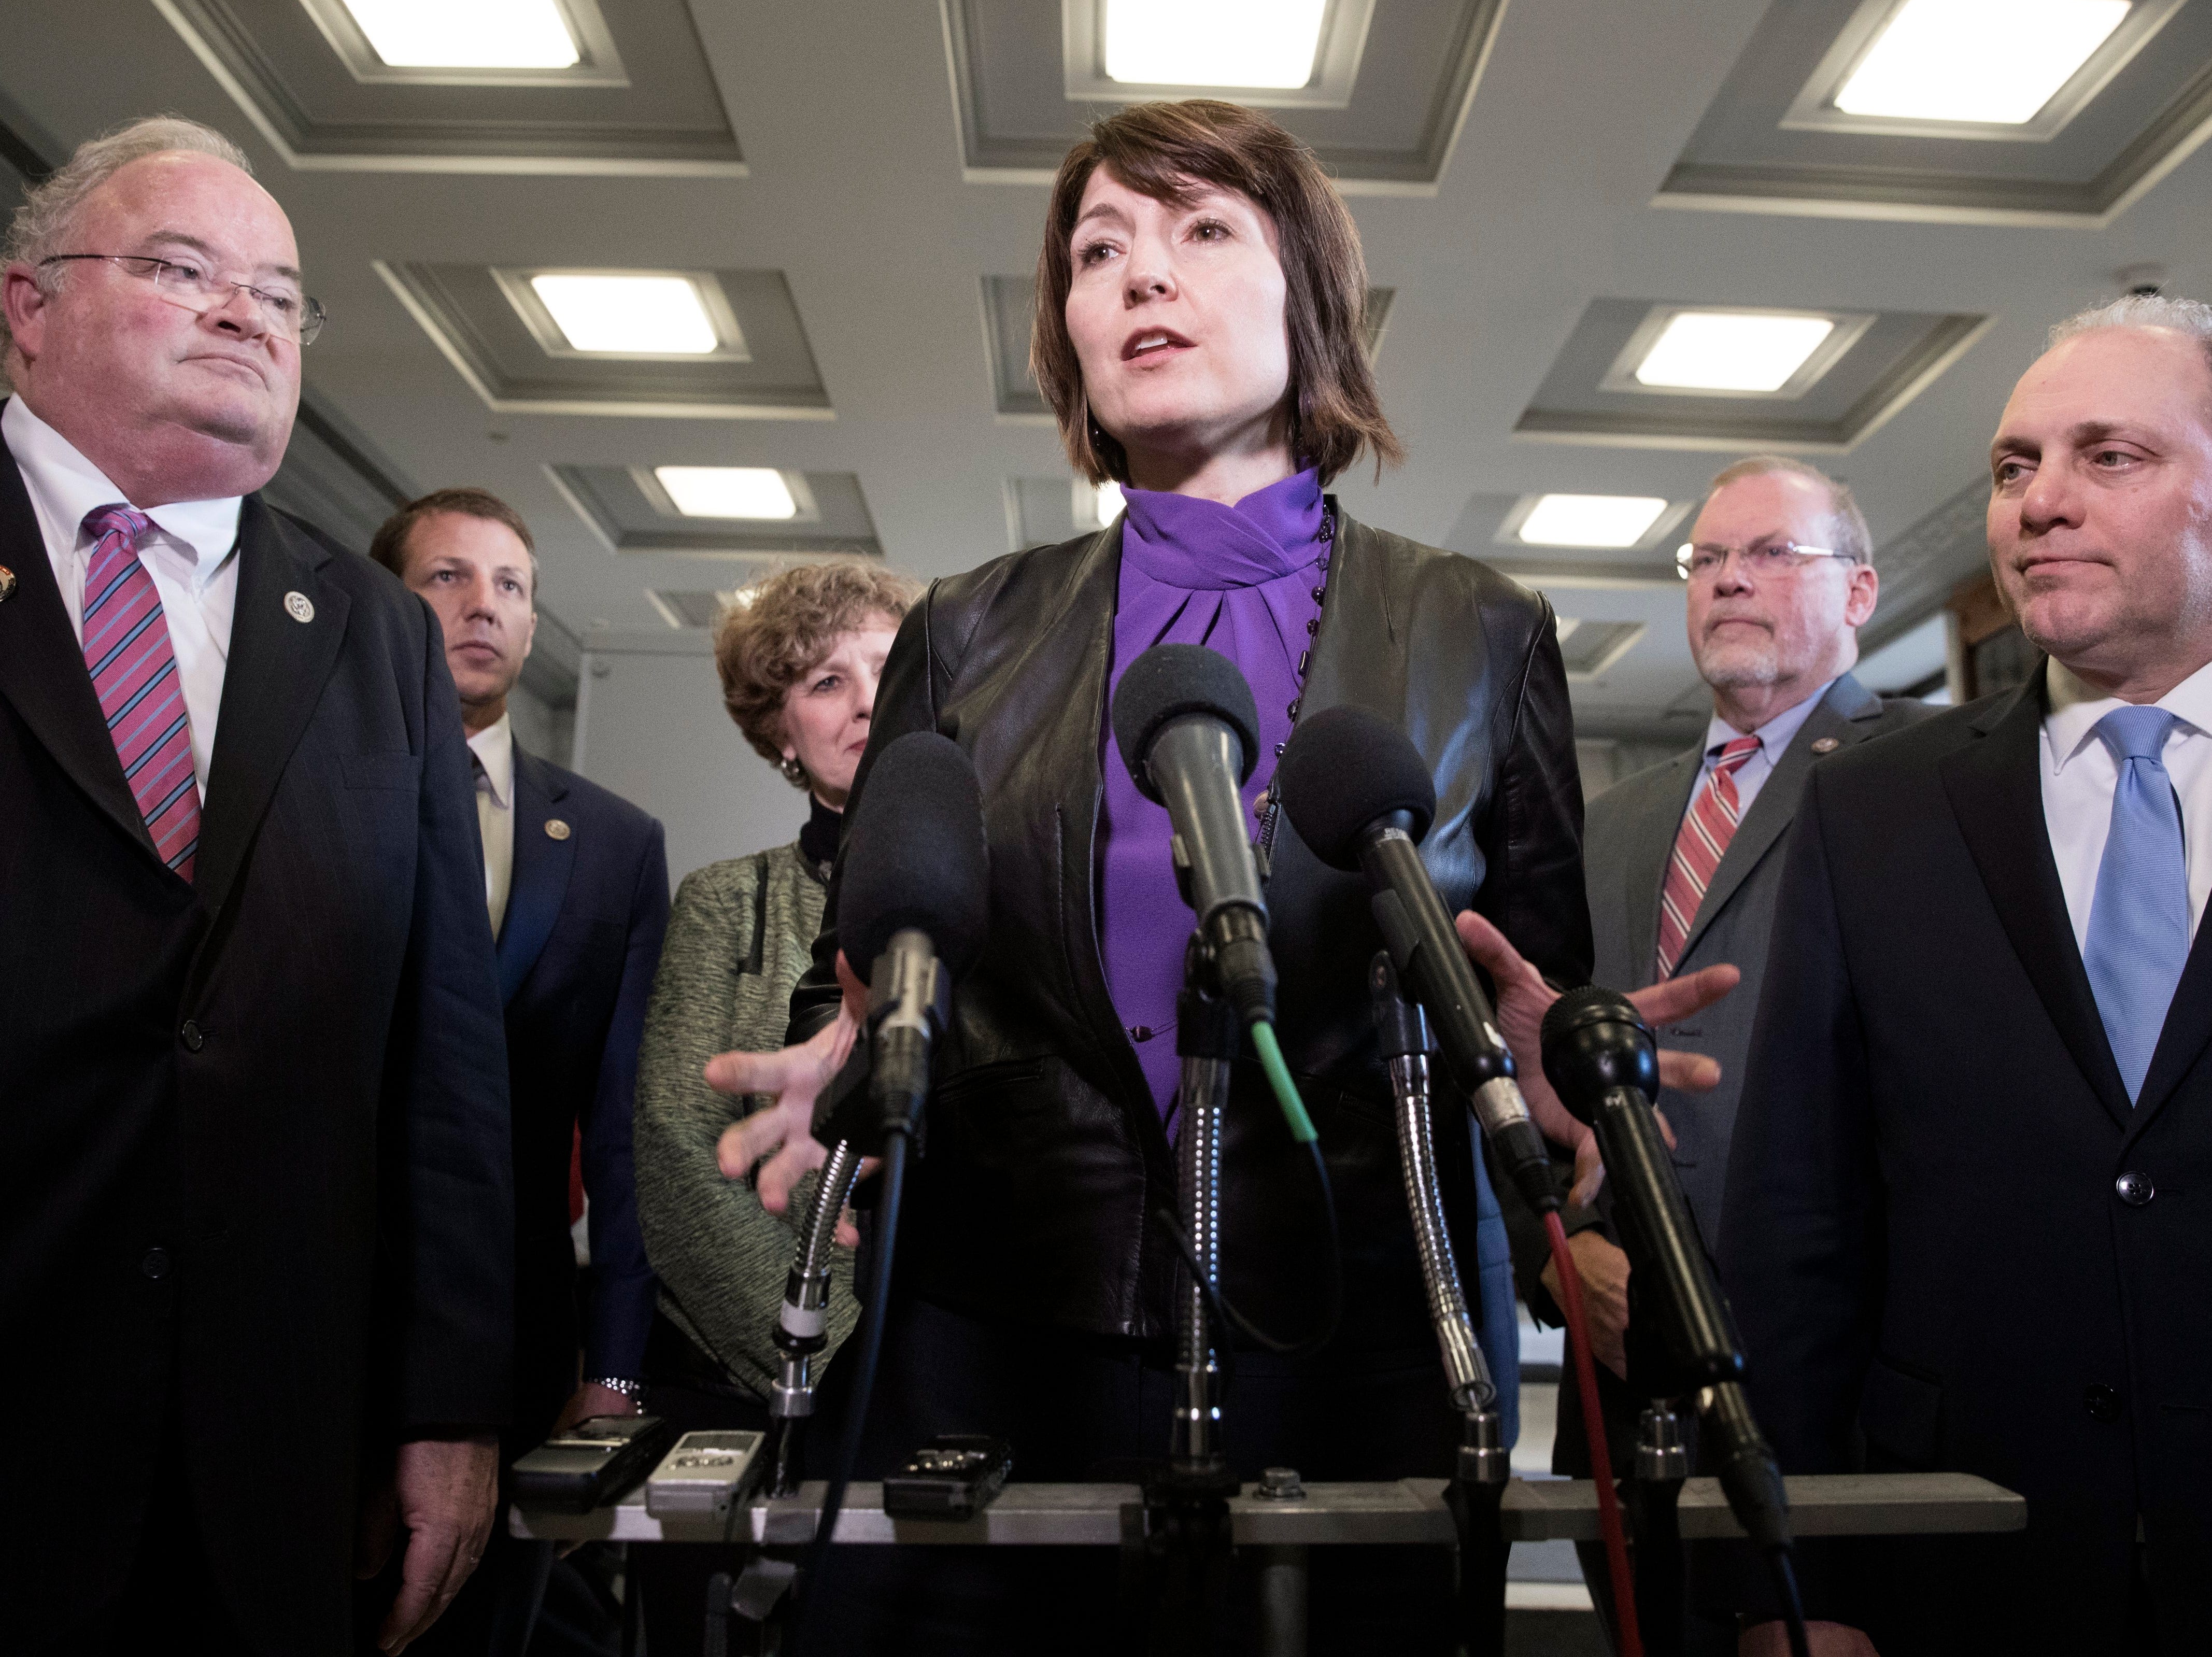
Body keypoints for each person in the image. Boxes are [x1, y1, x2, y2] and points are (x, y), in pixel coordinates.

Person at [706, 100, 1727, 1654]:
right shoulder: (970, 628)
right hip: (997, 1329)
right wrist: (851, 1036)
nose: (1138, 277)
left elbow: (1524, 966)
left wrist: (1530, 1083)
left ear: (1306, 296)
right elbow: (878, 940)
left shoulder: (1477, 627)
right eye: (1098, 249)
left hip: (1359, 1331)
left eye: (1199, 234)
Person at [0, 115, 511, 1655]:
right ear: (27, 305)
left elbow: (445, 1062)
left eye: (280, 297)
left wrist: (443, 1409)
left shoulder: (371, 634)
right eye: (182, 270)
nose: (245, 314)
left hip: (275, 1460)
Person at [1719, 295, 2212, 1654]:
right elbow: (1795, 1226)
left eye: (2107, 457)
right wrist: (1786, 1587)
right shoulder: (1874, 810)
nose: (2036, 504)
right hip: (1961, 1564)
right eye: (2012, 467)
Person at [1541, 456, 1932, 1652]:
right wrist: (1565, 1251)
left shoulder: (1928, 784)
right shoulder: (1606, 820)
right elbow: (1537, 1067)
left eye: (1771, 554)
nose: (1727, 581)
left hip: (1830, 1387)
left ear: (1858, 592)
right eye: (1706, 560)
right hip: (1619, 1382)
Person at [371, 486, 671, 1655]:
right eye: (446, 576)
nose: (481, 606)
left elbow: (630, 1120)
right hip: (313, 1300)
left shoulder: (611, 842)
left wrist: (624, 1379)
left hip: (516, 1329)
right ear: (384, 605)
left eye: (510, 585)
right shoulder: (298, 796)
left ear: (536, 625)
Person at [631, 556, 918, 1655]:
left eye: (887, 672)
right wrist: (829, 1350)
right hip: (741, 1383)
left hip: (931, 1383)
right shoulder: (724, 901)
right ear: (780, 731)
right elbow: (672, 1143)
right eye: (824, 682)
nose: (861, 706)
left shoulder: (1001, 891)